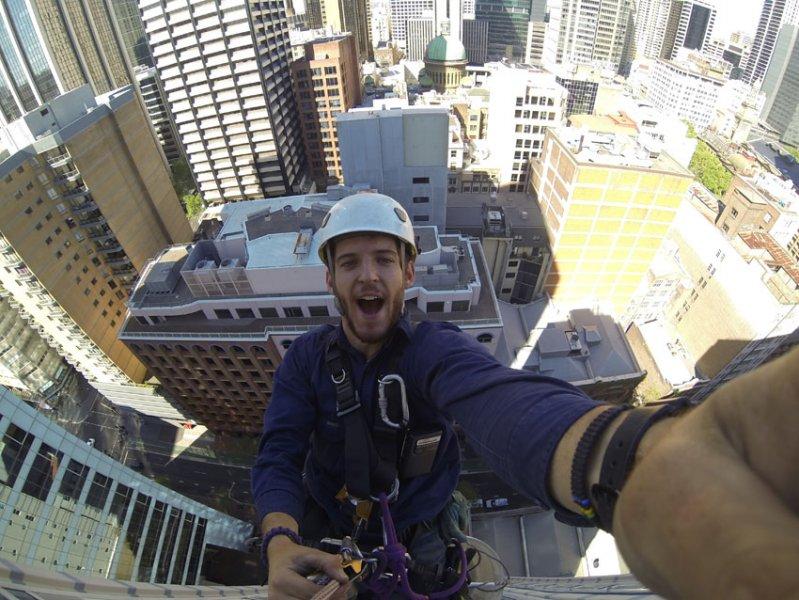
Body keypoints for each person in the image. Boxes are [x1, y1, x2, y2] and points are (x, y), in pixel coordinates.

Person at [252, 193, 799, 600]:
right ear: (330, 279)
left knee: (424, 585)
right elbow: (279, 452)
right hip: (337, 534)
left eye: (384, 260)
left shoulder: (432, 351)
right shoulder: (307, 361)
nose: (368, 276)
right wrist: (280, 539)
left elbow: (504, 405)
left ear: (409, 272)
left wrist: (621, 460)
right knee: (338, 588)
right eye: (350, 263)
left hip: (418, 534)